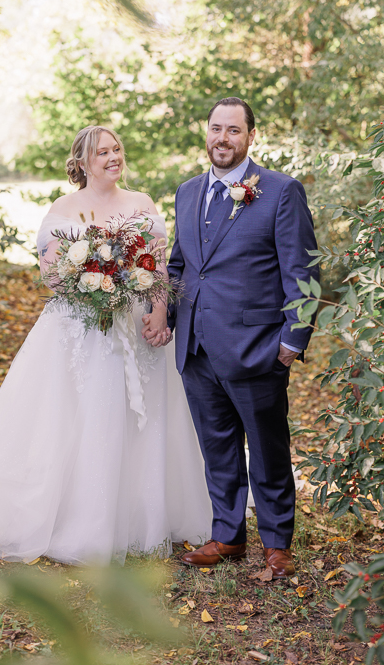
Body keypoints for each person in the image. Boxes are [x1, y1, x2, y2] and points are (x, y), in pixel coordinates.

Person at [0, 125, 212, 564]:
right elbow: (52, 276)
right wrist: (95, 285)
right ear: (82, 162)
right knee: (79, 416)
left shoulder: (141, 204)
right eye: (102, 152)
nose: (112, 157)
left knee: (145, 419)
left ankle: (144, 511)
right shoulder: (64, 209)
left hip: (135, 327)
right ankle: (82, 515)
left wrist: (159, 313)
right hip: (81, 330)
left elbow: (157, 266)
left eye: (117, 148)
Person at [143, 97, 319, 578]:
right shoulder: (186, 192)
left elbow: (302, 272)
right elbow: (180, 266)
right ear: (207, 133)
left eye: (233, 130)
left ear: (250, 137)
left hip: (257, 348)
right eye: (216, 129)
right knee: (216, 446)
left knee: (267, 449)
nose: (222, 138)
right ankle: (227, 535)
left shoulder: (281, 192)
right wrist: (164, 316)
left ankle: (277, 544)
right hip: (196, 348)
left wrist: (291, 342)